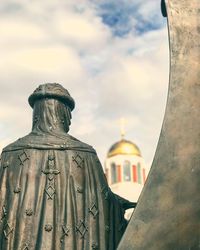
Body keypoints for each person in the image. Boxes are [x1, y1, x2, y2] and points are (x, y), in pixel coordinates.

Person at [0, 83, 131, 250]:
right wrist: (121, 205)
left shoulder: (11, 153)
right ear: (63, 112)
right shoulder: (85, 154)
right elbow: (104, 202)